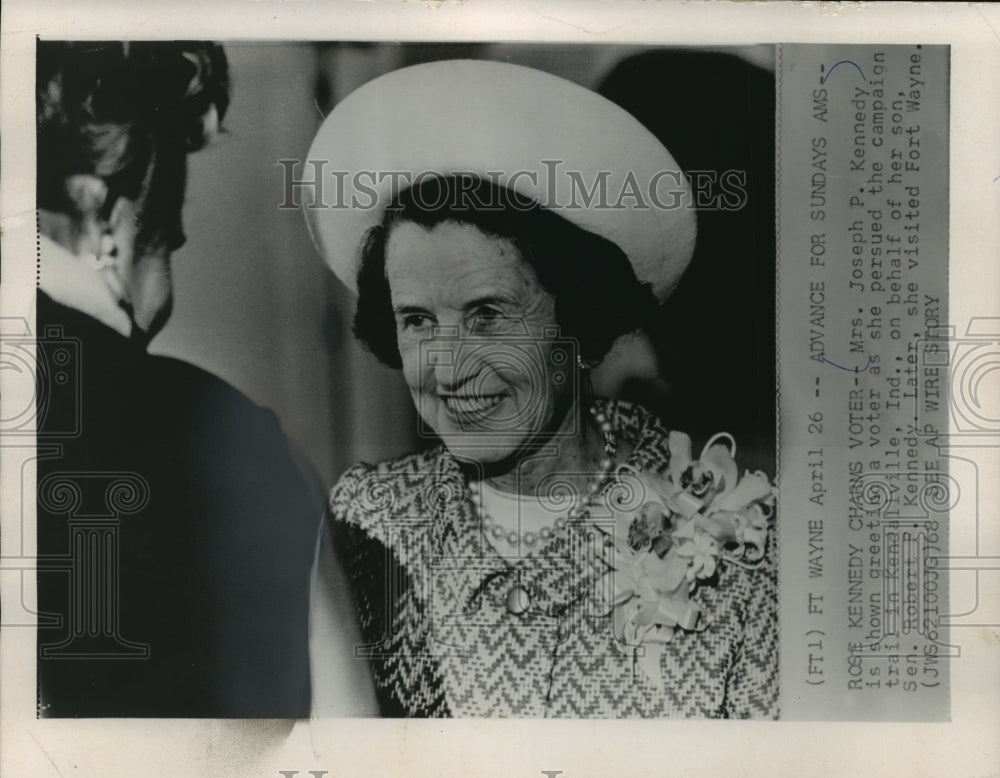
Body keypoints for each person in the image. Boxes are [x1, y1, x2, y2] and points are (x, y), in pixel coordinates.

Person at [306, 60, 778, 718]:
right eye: (417, 321)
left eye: (488, 315)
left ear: (579, 323)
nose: (448, 368)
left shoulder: (725, 533)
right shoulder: (369, 525)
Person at [34, 41, 328, 718]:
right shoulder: (217, 438)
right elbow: (343, 753)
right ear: (104, 216)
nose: (181, 244)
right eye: (169, 221)